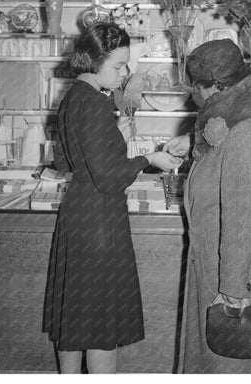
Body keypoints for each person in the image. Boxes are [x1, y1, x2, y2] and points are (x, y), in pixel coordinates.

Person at [43, 22, 181, 374]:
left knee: (75, 317)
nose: (125, 73)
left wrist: (113, 136)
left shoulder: (72, 97)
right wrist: (148, 158)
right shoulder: (97, 105)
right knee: (101, 324)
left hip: (76, 214)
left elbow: (64, 160)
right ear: (93, 60)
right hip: (100, 220)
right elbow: (110, 177)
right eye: (118, 66)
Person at [163, 39, 251, 373]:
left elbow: (245, 217)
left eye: (196, 90)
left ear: (214, 88)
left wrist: (231, 290)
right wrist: (193, 142)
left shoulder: (248, 133)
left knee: (233, 366)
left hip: (246, 279)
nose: (193, 97)